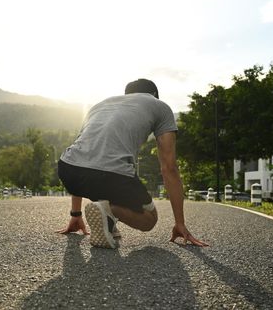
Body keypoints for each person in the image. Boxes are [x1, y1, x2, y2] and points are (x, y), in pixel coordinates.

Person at [56, 79, 208, 248]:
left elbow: (85, 153)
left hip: (67, 168)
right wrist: (180, 223)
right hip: (111, 174)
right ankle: (109, 211)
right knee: (149, 219)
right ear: (154, 95)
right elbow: (169, 167)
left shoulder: (100, 105)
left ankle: (107, 218)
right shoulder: (160, 106)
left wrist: (75, 214)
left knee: (100, 180)